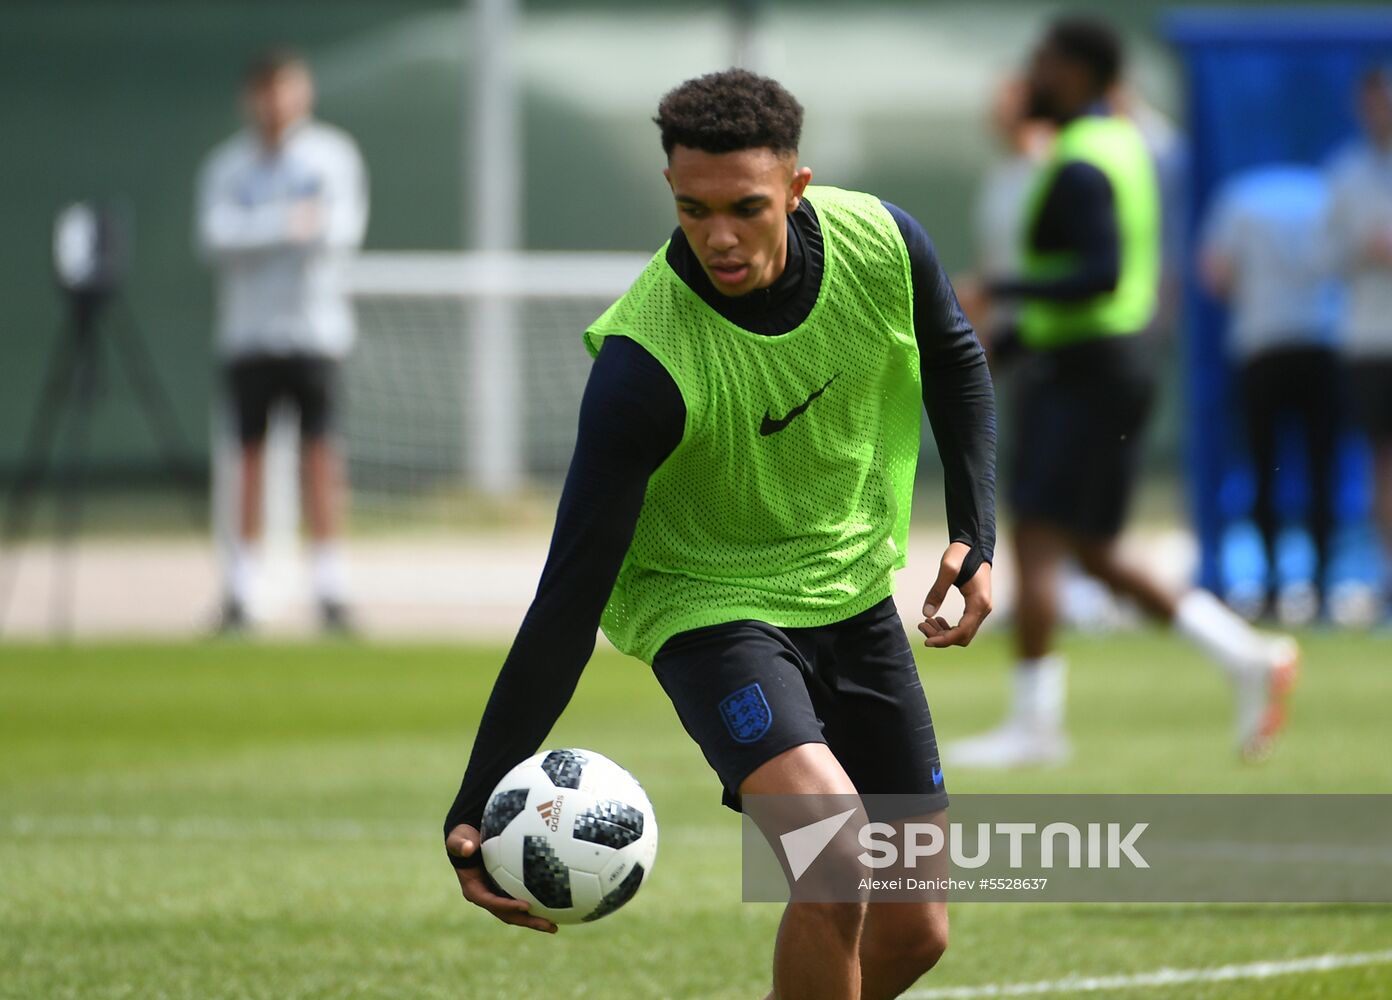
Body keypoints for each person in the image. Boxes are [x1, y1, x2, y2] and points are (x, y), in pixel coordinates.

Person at [443, 69, 997, 999]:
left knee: (915, 932)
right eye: (694, 211)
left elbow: (954, 356)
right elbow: (570, 594)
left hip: (851, 592)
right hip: (706, 606)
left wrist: (976, 531)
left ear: (798, 186)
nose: (720, 238)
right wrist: (473, 800)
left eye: (746, 207)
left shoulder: (885, 244)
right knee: (836, 858)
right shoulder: (643, 367)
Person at [949, 16, 1297, 769]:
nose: (1031, 75)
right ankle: (1247, 656)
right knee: (1096, 552)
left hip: (1089, 372)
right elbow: (1085, 291)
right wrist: (992, 350)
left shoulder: (1084, 159)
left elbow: (1098, 276)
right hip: (1099, 364)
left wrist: (994, 289)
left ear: (1075, 73)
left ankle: (1036, 727)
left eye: (1042, 62)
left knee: (1038, 532)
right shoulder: (1110, 146)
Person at [196, 48, 368, 633]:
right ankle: (242, 588)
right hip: (248, 336)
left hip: (316, 331)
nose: (277, 103)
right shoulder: (227, 166)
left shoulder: (332, 155)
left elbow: (340, 231)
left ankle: (329, 586)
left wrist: (275, 231)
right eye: (267, 91)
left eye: (287, 89)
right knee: (247, 458)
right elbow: (215, 238)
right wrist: (285, 224)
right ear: (252, 98)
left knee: (320, 457)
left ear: (304, 93)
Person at [1199, 164, 1341, 621]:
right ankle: (1321, 583)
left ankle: (1272, 585)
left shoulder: (1238, 197)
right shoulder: (1325, 191)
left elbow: (1215, 274)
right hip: (1321, 340)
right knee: (1322, 468)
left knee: (1264, 467)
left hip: (1260, 344)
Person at [1327, 67, 1392, 614]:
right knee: (1382, 462)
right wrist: (1364, 250)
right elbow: (1324, 255)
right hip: (1371, 341)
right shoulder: (1346, 174)